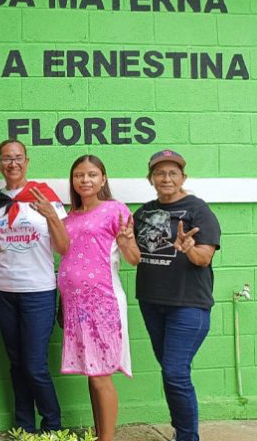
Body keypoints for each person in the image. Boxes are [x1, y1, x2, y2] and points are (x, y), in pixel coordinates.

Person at [133, 150, 221, 441]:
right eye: (160, 173)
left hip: (188, 305)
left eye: (173, 173)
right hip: (151, 302)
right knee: (172, 371)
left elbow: (203, 258)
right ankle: (182, 429)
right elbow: (133, 256)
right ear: (151, 178)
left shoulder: (198, 210)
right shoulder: (143, 212)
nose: (166, 178)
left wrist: (188, 247)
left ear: (183, 177)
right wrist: (123, 242)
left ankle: (186, 436)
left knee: (174, 372)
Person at [0, 139, 68, 433]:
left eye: (18, 157)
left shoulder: (45, 196)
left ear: (27, 161)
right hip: (3, 292)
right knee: (17, 364)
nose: (13, 163)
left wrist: (51, 216)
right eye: (6, 158)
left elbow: (63, 246)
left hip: (38, 292)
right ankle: (24, 427)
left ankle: (53, 426)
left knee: (35, 365)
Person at [58, 155, 140, 441]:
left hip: (103, 302)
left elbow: (133, 259)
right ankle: (99, 434)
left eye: (92, 174)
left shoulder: (115, 210)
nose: (85, 180)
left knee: (102, 373)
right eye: (79, 175)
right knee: (92, 373)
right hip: (75, 305)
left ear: (103, 179)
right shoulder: (69, 217)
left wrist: (127, 240)